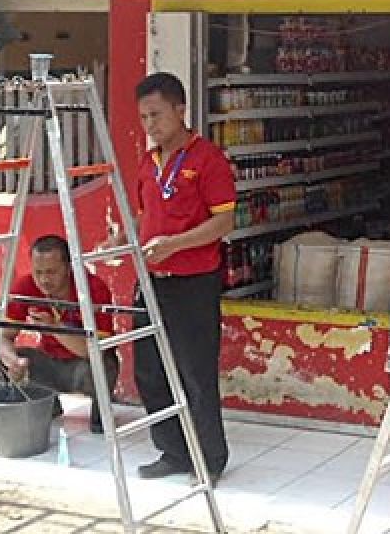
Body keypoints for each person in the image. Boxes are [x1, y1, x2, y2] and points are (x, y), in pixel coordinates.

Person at [130, 71, 236, 481]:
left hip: (194, 281)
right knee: (150, 371)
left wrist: (174, 244)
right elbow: (145, 217)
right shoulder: (147, 162)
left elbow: (223, 222)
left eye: (156, 114)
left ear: (180, 110)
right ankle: (172, 452)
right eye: (143, 117)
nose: (150, 125)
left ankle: (209, 458)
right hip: (151, 279)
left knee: (195, 372)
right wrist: (123, 238)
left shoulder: (208, 159)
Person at [0, 234, 119, 434]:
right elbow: (3, 337)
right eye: (39, 272)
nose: (44, 280)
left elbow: (93, 351)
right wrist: (13, 361)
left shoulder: (93, 288)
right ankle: (46, 404)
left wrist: (55, 327)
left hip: (82, 365)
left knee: (102, 366)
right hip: (48, 361)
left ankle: (100, 416)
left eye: (52, 272)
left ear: (69, 268)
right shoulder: (26, 286)